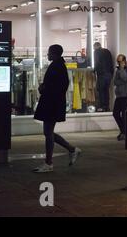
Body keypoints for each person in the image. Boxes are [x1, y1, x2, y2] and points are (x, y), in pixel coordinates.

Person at [33, 44, 81, 173]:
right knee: (48, 132)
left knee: (48, 133)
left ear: (54, 53)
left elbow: (55, 86)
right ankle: (71, 149)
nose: (47, 55)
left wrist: (44, 88)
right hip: (53, 103)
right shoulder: (59, 66)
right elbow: (60, 85)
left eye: (49, 53)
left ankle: (49, 163)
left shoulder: (56, 66)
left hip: (51, 103)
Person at [93, 42, 114, 112]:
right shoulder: (107, 51)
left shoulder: (96, 52)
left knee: (101, 91)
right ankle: (107, 106)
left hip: (101, 74)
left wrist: (94, 70)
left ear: (95, 47)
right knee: (106, 90)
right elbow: (111, 62)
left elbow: (97, 62)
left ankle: (102, 107)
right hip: (109, 74)